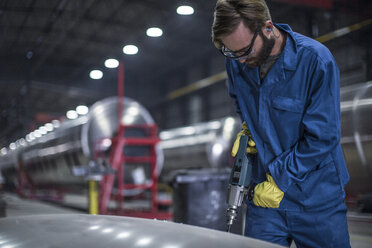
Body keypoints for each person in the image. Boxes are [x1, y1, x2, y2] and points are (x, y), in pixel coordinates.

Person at [211, 0, 350, 247]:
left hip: (316, 198)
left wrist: (279, 179)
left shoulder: (315, 60)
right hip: (263, 199)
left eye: (244, 51)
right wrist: (248, 129)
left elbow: (323, 137)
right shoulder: (236, 59)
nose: (239, 61)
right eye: (231, 52)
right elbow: (240, 102)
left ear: (267, 28)